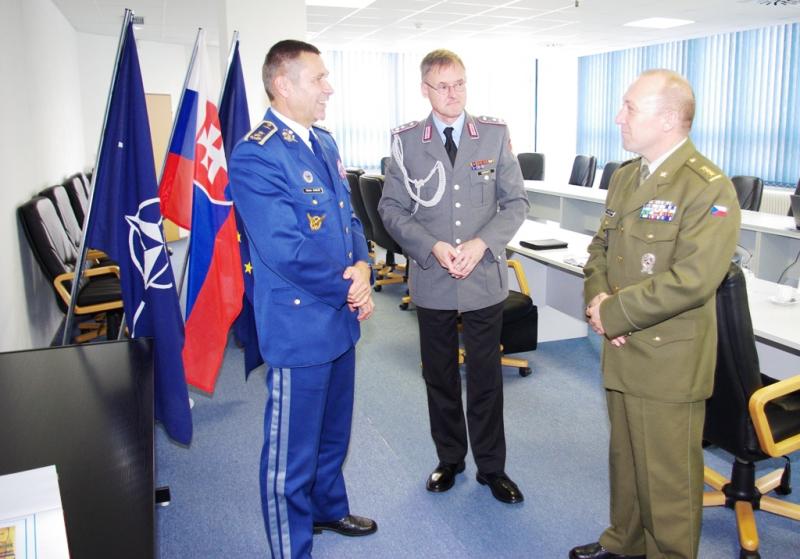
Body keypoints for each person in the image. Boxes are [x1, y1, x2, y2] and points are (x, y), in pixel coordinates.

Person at [571, 69, 741, 559]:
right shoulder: (628, 176)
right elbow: (600, 249)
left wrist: (615, 313)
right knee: (625, 459)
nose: (618, 117)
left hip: (667, 357)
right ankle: (625, 542)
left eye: (630, 107)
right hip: (622, 344)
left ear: (668, 119)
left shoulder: (707, 188)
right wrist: (599, 303)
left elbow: (694, 278)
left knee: (667, 479)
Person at [229, 39, 376, 559]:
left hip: (339, 318)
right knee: (291, 455)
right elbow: (285, 248)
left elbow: (348, 217)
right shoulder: (256, 154)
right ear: (282, 85)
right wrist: (350, 285)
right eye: (318, 79)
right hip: (299, 327)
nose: (329, 88)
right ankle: (292, 550)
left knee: (333, 434)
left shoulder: (324, 143)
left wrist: (365, 266)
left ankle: (327, 509)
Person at [379, 49, 529, 504]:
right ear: (425, 89)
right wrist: (431, 247)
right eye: (442, 86)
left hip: (482, 275)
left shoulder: (494, 135)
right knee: (440, 375)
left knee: (486, 377)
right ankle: (449, 459)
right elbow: (392, 208)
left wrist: (483, 243)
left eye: (459, 83)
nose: (453, 93)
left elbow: (516, 203)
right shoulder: (407, 141)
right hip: (433, 277)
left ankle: (492, 468)